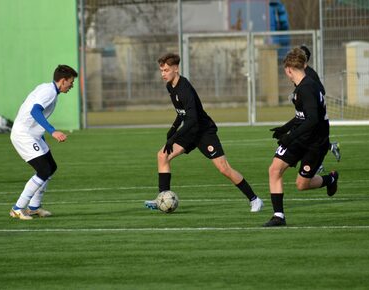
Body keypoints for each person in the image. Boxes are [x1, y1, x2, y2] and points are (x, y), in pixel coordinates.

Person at [144, 53, 263, 212]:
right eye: (161, 70)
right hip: (190, 130)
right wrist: (172, 129)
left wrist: (175, 137)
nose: (162, 74)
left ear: (176, 69)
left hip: (203, 131)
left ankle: (254, 199)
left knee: (223, 168)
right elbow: (182, 113)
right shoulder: (170, 86)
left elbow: (193, 119)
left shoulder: (184, 89)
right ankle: (162, 198)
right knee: (162, 155)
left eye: (166, 70)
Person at [264, 47, 339, 227]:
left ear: (289, 69)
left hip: (315, 142)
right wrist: (285, 129)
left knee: (302, 184)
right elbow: (302, 116)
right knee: (274, 170)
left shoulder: (307, 88)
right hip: (300, 137)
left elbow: (313, 120)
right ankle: (278, 216)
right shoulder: (303, 85)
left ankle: (330, 179)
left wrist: (290, 137)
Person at [9, 65, 78, 220]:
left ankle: (34, 207)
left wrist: (41, 135)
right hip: (24, 135)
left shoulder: (47, 88)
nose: (72, 86)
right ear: (62, 81)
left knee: (51, 167)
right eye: (71, 82)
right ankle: (18, 208)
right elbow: (34, 111)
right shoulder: (49, 92)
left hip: (33, 134)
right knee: (44, 170)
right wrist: (52, 131)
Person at [300, 45, 341, 164]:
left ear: (304, 58)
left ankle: (317, 164)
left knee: (308, 137)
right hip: (306, 109)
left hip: (314, 110)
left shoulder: (309, 74)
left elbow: (321, 91)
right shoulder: (301, 72)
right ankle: (331, 148)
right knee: (311, 138)